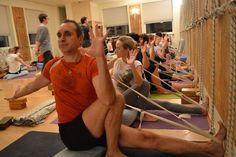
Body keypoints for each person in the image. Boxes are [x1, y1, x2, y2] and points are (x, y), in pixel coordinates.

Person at [5, 19, 226, 157]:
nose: (62, 38)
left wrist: (100, 56)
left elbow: (106, 98)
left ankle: (210, 149)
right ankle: (112, 151)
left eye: (68, 34)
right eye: (59, 35)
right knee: (118, 100)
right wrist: (19, 92)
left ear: (80, 38)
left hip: (99, 126)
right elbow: (36, 83)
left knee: (149, 139)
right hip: (73, 132)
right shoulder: (53, 66)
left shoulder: (90, 63)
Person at [111, 36, 208, 115]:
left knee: (165, 104)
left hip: (136, 99)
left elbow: (139, 83)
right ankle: (142, 110)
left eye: (118, 48)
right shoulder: (116, 62)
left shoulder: (136, 64)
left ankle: (200, 110)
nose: (115, 51)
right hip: (121, 100)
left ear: (127, 49)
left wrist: (131, 65)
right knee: (146, 84)